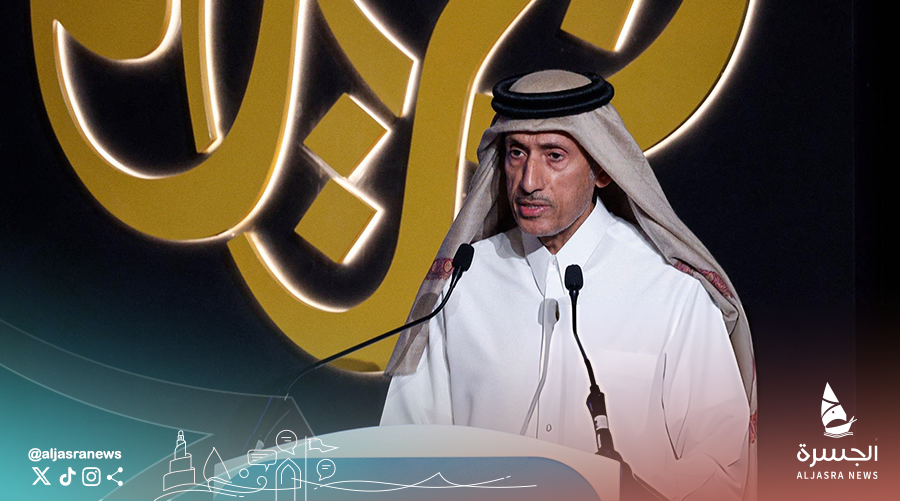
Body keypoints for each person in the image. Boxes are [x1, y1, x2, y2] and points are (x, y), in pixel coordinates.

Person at [380, 70, 757, 501]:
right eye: (516, 153)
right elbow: (405, 450)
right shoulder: (463, 283)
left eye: (554, 156)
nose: (529, 181)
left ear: (602, 168)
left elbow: (722, 465)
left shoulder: (671, 290)